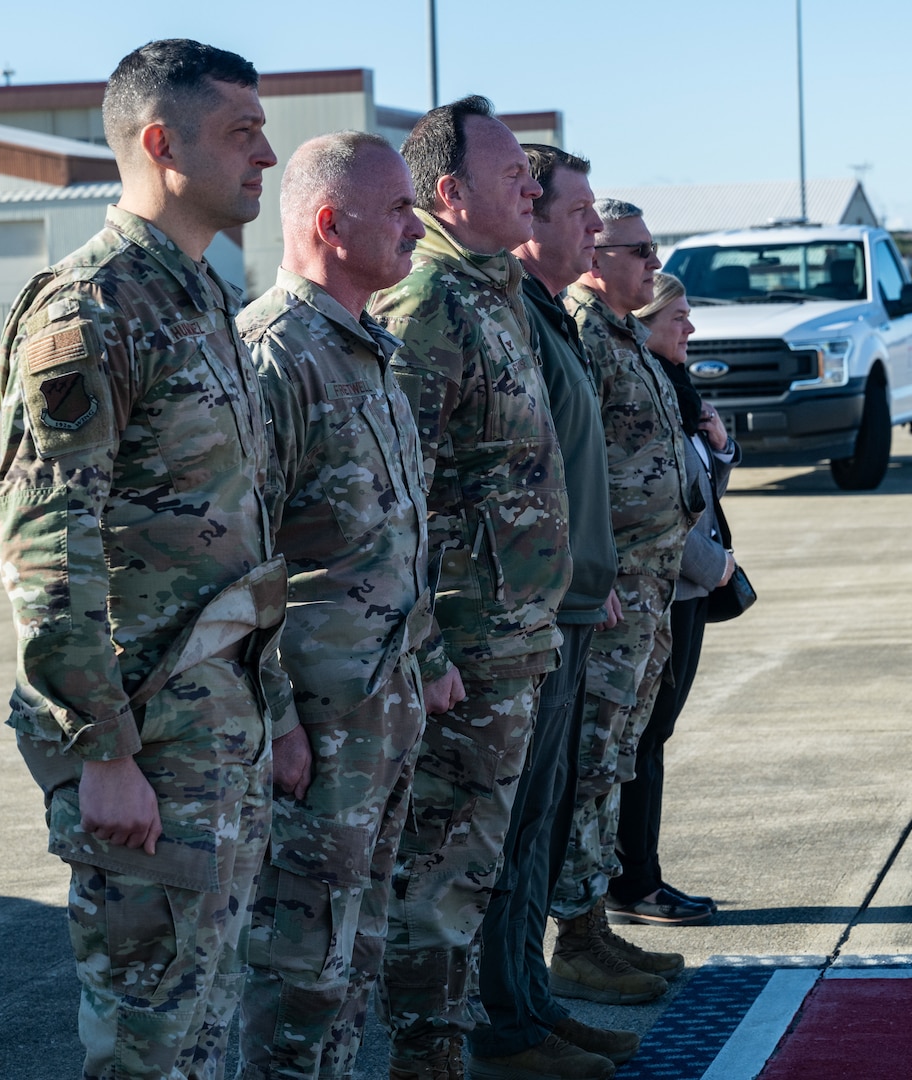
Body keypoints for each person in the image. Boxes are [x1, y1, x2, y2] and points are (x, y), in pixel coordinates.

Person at [0, 39, 281, 1079]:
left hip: (218, 729)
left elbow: (239, 537)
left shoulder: (200, 297)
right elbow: (46, 543)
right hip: (146, 742)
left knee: (205, 1024)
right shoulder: (92, 309)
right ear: (163, 145)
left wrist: (273, 708)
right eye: (242, 133)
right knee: (149, 1041)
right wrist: (101, 749)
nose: (268, 154)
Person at [367, 96, 572, 1080]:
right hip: (464, 650)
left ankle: (477, 1042)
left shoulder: (490, 293)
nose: (529, 186)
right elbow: (396, 497)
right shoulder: (426, 306)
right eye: (510, 177)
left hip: (514, 636)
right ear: (448, 194)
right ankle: (431, 1061)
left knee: (479, 865)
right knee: (441, 877)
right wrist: (433, 647)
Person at [235, 132, 434, 1079]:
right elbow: (242, 561)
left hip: (380, 707)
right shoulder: (275, 357)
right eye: (398, 209)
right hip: (315, 725)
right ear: (329, 223)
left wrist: (424, 663)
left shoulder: (367, 348)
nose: (416, 224)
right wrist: (276, 722)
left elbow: (396, 532)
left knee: (358, 952)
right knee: (300, 970)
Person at [469, 145, 633, 1080]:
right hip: (515, 616)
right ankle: (507, 1023)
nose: (591, 229)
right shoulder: (501, 313)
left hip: (563, 605)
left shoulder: (539, 315)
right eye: (574, 210)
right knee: (505, 827)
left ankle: (531, 1004)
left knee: (539, 821)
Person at [549, 200, 697, 1003]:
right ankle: (576, 937)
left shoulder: (618, 332)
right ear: (595, 256)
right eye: (638, 250)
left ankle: (596, 925)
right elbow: (570, 465)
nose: (651, 263)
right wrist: (587, 577)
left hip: (649, 582)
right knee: (594, 758)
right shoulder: (578, 330)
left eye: (653, 249)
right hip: (611, 591)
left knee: (620, 754)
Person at [608, 272, 734, 927]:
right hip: (668, 585)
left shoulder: (673, 385)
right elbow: (646, 501)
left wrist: (721, 443)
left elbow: (698, 482)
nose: (690, 327)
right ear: (647, 321)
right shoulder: (635, 383)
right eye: (679, 315)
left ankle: (638, 877)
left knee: (656, 735)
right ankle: (634, 883)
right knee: (644, 737)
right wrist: (714, 566)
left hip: (686, 587)